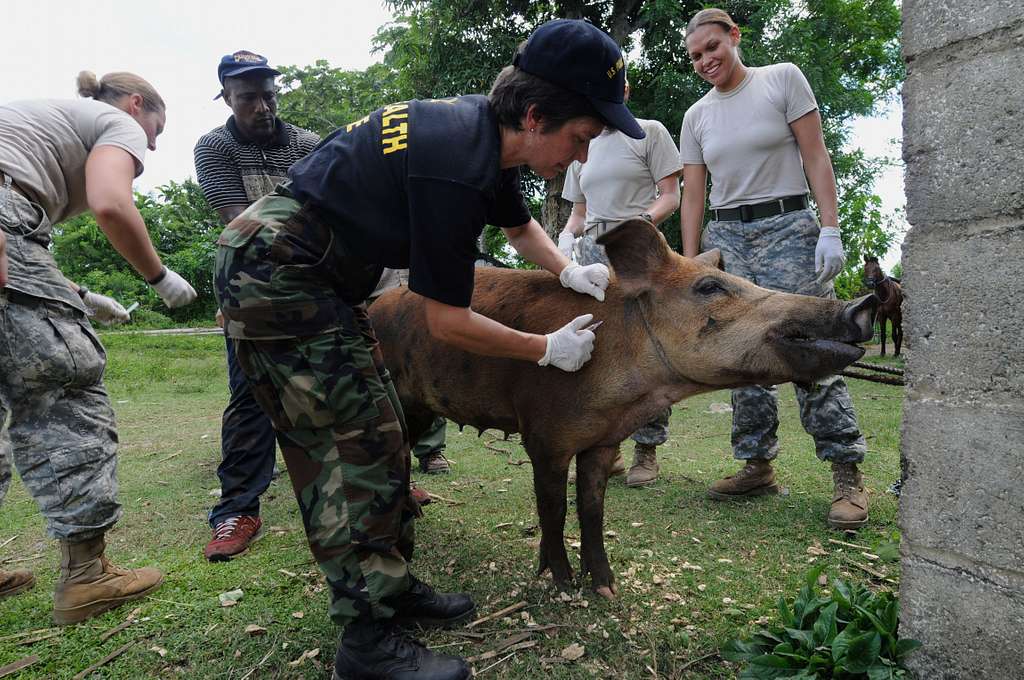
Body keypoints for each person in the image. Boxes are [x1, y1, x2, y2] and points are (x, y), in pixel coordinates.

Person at [214, 19, 638, 679]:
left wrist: (563, 271)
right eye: (582, 137)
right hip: (279, 271)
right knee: (347, 448)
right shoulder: (454, 168)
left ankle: (389, 586)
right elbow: (448, 321)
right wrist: (541, 348)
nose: (582, 157)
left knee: (385, 436)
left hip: (311, 271)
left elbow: (520, 225)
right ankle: (366, 643)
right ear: (535, 116)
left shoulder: (476, 132)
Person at [0, 70, 197, 624]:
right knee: (63, 389)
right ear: (138, 105)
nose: (152, 145)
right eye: (156, 128)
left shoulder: (41, 124)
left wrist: (84, 296)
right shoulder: (116, 122)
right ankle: (87, 577)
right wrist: (159, 277)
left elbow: (20, 261)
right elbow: (111, 203)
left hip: (12, 231)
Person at [679, 8, 869, 529]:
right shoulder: (696, 115)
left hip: (787, 227)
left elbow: (816, 156)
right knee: (740, 355)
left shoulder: (781, 79)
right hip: (727, 237)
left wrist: (829, 228)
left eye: (712, 48)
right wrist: (694, 258)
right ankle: (756, 464)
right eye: (695, 56)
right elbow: (692, 193)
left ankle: (847, 475)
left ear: (734, 38)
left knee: (812, 348)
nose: (705, 61)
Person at [194, 50, 321, 562]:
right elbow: (239, 221)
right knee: (251, 394)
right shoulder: (214, 147)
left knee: (333, 383)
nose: (262, 107)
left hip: (312, 275)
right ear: (226, 96)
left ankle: (367, 484)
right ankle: (237, 510)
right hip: (247, 278)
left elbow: (326, 209)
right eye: (248, 97)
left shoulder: (307, 144)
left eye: (269, 94)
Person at [557, 80, 682, 487]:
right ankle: (601, 449)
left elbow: (670, 196)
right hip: (593, 252)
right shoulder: (583, 145)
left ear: (627, 91)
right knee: (596, 346)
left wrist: (639, 226)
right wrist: (566, 236)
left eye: (622, 85)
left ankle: (646, 449)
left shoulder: (649, 132)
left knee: (648, 347)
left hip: (638, 249)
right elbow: (579, 211)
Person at [367, 268, 451, 484]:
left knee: (427, 371)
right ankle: (384, 455)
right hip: (375, 289)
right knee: (378, 376)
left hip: (419, 288)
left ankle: (431, 450)